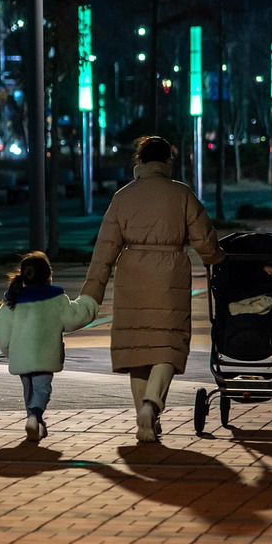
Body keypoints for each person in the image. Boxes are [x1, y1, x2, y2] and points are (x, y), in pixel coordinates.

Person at [81, 135, 226, 443]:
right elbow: (205, 241)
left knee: (138, 352)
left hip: (131, 275)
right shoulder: (181, 194)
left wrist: (92, 294)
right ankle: (152, 405)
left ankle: (143, 417)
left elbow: (105, 248)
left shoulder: (123, 196)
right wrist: (218, 257)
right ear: (167, 162)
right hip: (169, 275)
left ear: (140, 161)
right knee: (167, 348)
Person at [0, 251, 98, 443]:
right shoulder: (57, 299)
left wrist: (9, 350)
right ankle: (35, 416)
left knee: (29, 390)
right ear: (48, 276)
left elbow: (2, 328)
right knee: (42, 390)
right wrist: (89, 302)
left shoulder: (13, 301)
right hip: (45, 355)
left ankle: (34, 420)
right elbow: (75, 317)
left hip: (21, 356)